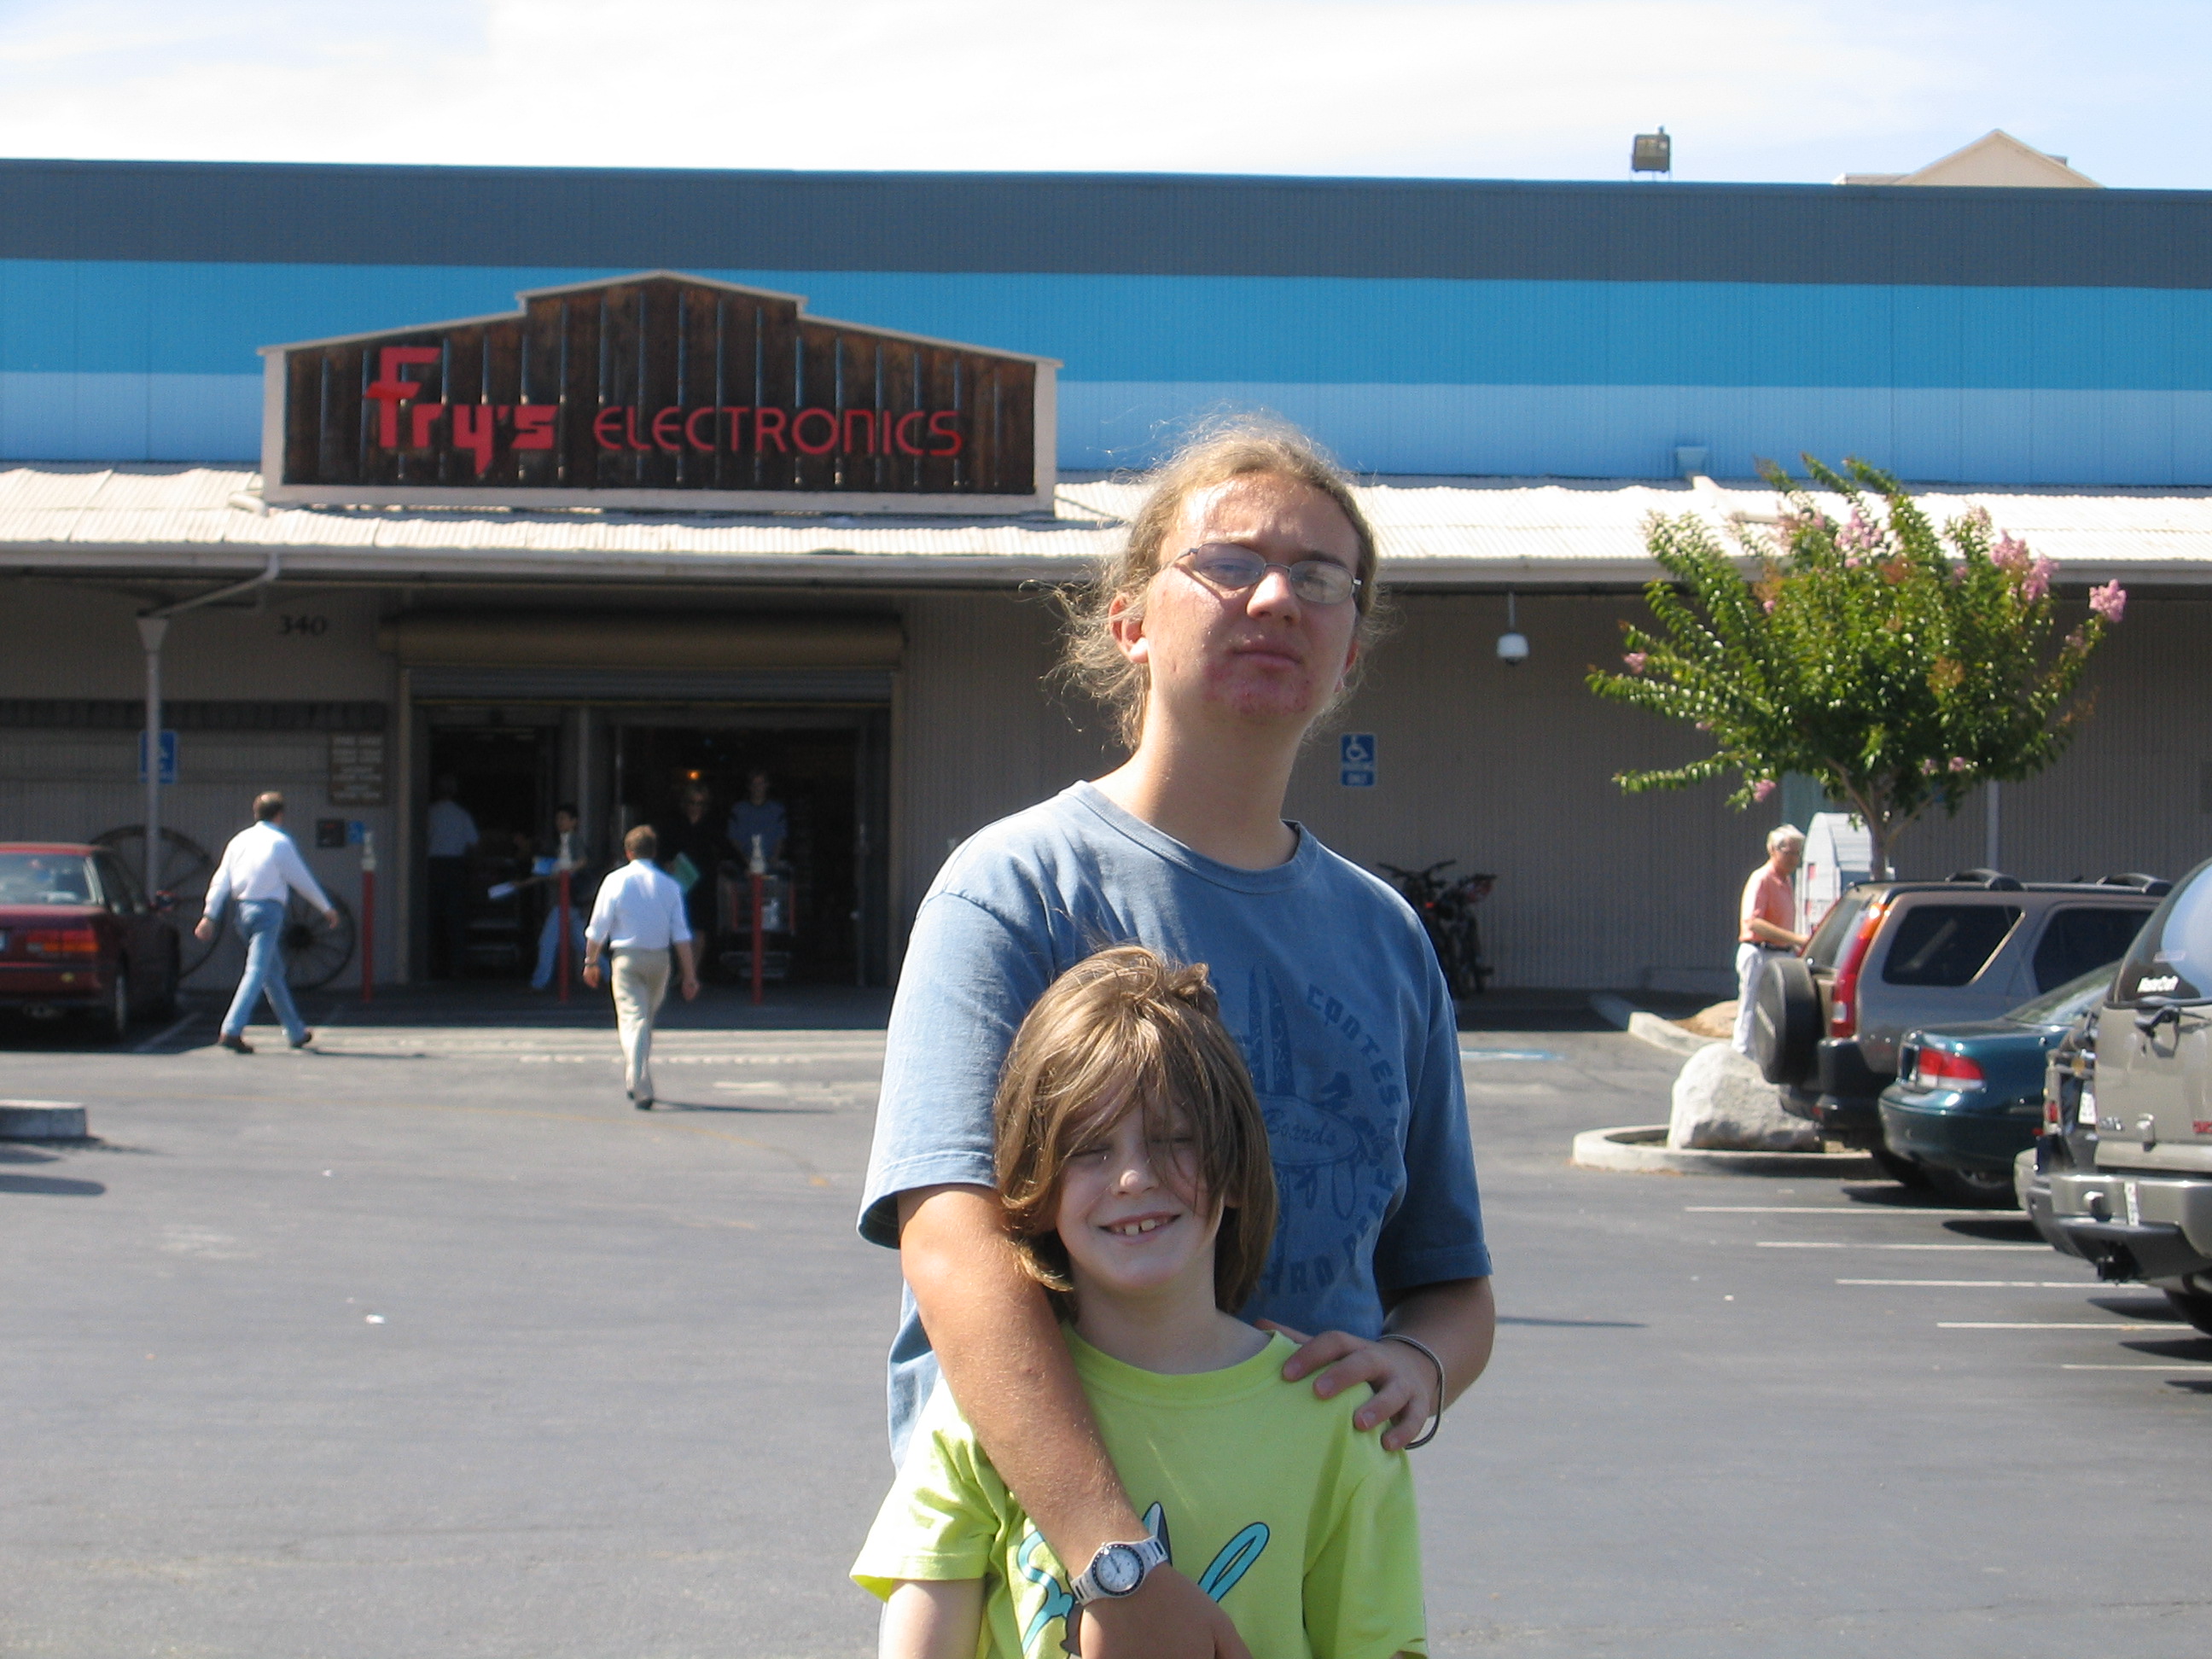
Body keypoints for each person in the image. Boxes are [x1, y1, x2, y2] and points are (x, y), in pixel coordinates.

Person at [860, 422, 1493, 1659]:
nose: (1277, 597)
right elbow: (952, 1244)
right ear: (1130, 620)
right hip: (1048, 1592)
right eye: (1229, 564)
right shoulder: (1014, 890)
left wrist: (1421, 1365)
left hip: (1286, 1590)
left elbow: (1451, 1278)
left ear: (1351, 649)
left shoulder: (1387, 939)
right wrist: (1115, 1559)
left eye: (1319, 577)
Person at [855, 946, 1425, 1659]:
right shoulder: (981, 1413)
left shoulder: (1337, 1425)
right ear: (1038, 1187)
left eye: (1173, 1139)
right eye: (1090, 1149)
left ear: (1236, 1169)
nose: (1132, 1178)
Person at [196, 791, 338, 1054]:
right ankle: (232, 1028)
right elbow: (301, 879)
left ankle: (295, 1031)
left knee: (272, 973)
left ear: (256, 813)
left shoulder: (239, 841)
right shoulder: (279, 843)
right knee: (257, 970)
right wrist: (326, 908)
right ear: (280, 815)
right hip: (268, 911)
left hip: (242, 911)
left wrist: (210, 915)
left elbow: (221, 880)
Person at [582, 824, 700, 1109]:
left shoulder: (615, 881)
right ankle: (638, 1077)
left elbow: (598, 927)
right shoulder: (670, 885)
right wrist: (690, 975)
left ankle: (637, 1080)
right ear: (654, 852)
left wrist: (591, 961)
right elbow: (681, 934)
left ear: (628, 852)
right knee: (644, 1018)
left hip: (627, 957)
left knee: (633, 1019)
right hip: (660, 959)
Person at [1733, 824, 1809, 1057]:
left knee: (1775, 1010)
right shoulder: (1762, 879)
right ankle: (1742, 1054)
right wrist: (1796, 939)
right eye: (1789, 852)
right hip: (1759, 952)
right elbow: (1753, 922)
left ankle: (1767, 1057)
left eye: (1798, 853)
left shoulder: (1786, 881)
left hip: (1782, 954)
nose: (1794, 859)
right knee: (1751, 1005)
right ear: (1772, 850)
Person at [656, 781, 728, 966]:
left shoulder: (712, 824)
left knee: (700, 927)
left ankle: (692, 972)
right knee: (679, 926)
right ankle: (683, 969)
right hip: (679, 881)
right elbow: (662, 850)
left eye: (700, 803)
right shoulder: (673, 824)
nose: (696, 807)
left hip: (704, 881)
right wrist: (666, 863)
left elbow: (725, 848)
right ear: (685, 802)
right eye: (692, 802)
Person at [527, 804, 593, 991]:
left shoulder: (572, 840)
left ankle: (539, 982)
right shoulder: (563, 841)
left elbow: (582, 861)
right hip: (570, 901)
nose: (559, 822)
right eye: (558, 818)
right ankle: (610, 975)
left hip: (568, 900)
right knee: (582, 944)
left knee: (547, 941)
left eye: (564, 818)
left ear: (574, 821)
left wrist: (566, 873)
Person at [424, 774, 479, 979]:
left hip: (432, 866)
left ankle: (431, 964)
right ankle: (456, 966)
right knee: (455, 919)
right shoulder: (461, 815)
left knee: (431, 918)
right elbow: (473, 843)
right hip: (455, 867)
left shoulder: (430, 813)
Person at [726, 770, 789, 870]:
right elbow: (733, 839)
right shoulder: (738, 810)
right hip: (744, 865)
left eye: (761, 783)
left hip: (771, 863)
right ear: (749, 786)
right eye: (754, 784)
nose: (757, 787)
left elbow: (781, 838)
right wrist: (746, 860)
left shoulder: (777, 810)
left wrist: (774, 858)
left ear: (767, 785)